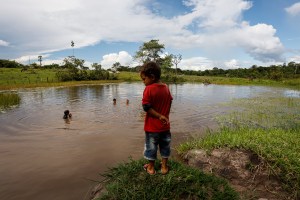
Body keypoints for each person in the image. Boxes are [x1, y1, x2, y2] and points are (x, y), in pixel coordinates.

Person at [140, 61, 173, 175]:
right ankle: (164, 167)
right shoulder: (166, 87)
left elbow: (146, 107)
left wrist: (159, 116)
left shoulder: (149, 89)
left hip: (152, 127)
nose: (143, 82)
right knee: (165, 146)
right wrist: (165, 116)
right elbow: (170, 101)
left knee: (151, 147)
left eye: (144, 79)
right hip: (165, 126)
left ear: (152, 77)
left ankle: (151, 168)